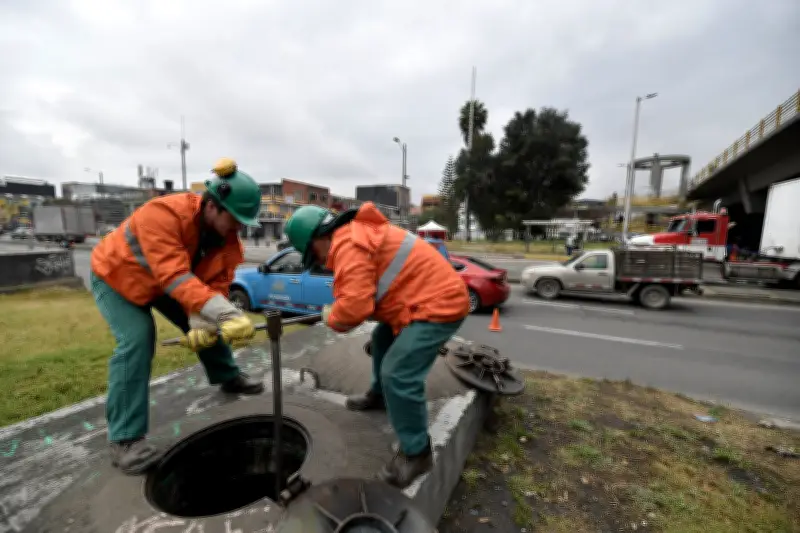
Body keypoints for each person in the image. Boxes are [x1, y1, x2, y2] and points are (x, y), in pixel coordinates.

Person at [90, 158, 264, 475]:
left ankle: (228, 377)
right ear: (213, 206)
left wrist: (202, 322)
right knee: (137, 339)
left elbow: (213, 288)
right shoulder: (163, 214)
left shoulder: (227, 244)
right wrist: (226, 314)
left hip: (167, 283)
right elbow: (174, 276)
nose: (237, 228)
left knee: (211, 320)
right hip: (116, 278)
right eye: (235, 219)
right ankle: (125, 440)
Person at [284, 202, 470, 488]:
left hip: (438, 306)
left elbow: (355, 308)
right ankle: (380, 396)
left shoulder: (349, 245)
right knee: (382, 338)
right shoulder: (355, 234)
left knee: (398, 374)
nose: (319, 263)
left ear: (319, 238)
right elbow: (375, 291)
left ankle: (416, 452)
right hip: (420, 300)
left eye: (314, 256)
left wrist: (331, 316)